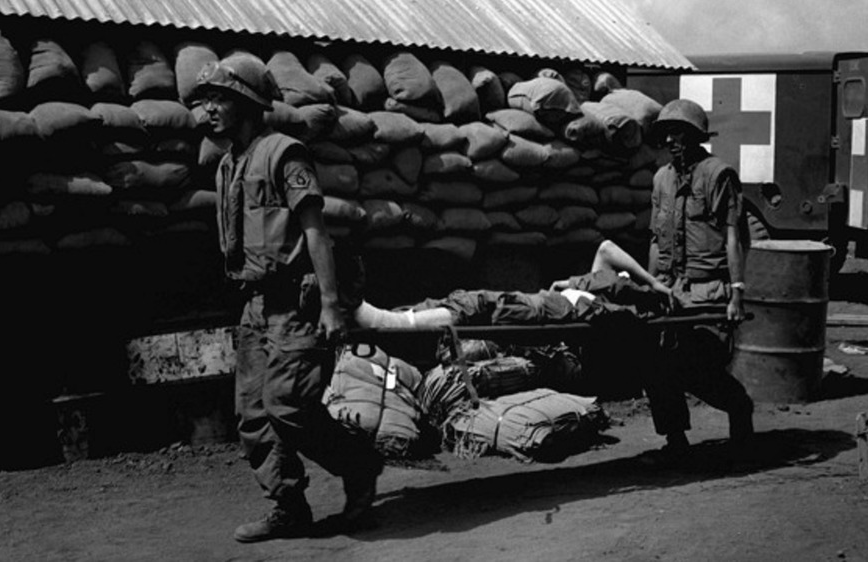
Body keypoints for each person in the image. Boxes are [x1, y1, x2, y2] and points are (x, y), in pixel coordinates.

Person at [190, 53, 383, 543]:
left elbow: (315, 231)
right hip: (254, 304)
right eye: (206, 100)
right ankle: (288, 508)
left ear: (248, 103)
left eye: (221, 99)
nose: (209, 109)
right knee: (254, 415)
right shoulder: (227, 166)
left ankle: (358, 464)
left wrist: (331, 304)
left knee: (288, 405)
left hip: (297, 301)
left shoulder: (283, 153)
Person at [642, 98, 755, 465]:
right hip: (671, 291)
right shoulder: (661, 179)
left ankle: (740, 411)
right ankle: (676, 441)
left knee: (698, 368)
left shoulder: (718, 174)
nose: (672, 140)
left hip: (710, 290)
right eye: (667, 134)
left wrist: (737, 293)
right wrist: (650, 287)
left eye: (680, 133)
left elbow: (735, 238)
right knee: (656, 364)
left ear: (695, 136)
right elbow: (656, 241)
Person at [352, 239, 675, 329]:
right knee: (462, 299)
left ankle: (384, 321)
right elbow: (606, 248)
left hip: (557, 310)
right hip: (548, 301)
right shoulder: (609, 280)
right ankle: (381, 317)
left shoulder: (629, 302)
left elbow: (616, 306)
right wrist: (654, 281)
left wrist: (648, 289)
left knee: (479, 303)